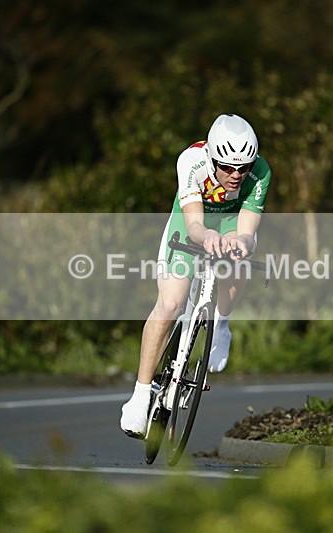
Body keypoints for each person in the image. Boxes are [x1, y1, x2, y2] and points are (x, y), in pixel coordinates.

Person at [120, 113, 272, 438]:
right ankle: (140, 395)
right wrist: (206, 236)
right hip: (192, 221)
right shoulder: (191, 161)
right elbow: (194, 227)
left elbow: (247, 231)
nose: (236, 175)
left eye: (243, 168)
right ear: (212, 158)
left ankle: (221, 325)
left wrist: (241, 243)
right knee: (169, 305)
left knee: (238, 259)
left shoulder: (261, 172)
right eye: (227, 167)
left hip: (232, 222)